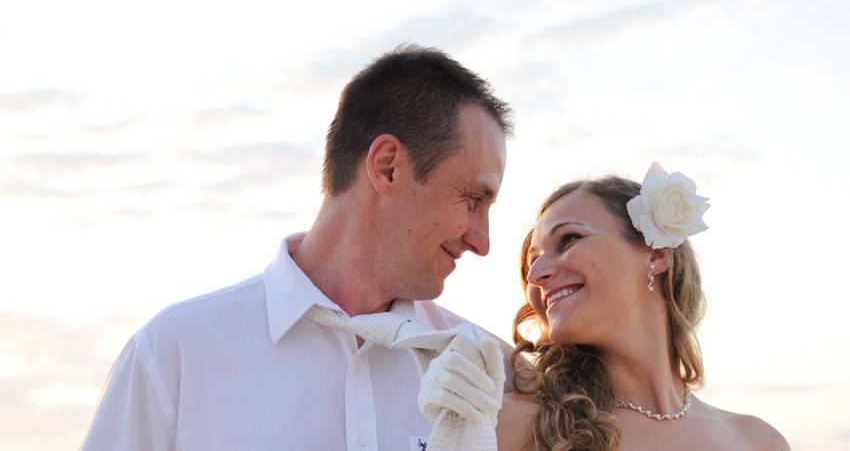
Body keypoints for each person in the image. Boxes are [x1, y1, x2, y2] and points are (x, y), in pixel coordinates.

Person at [80, 45, 512, 450]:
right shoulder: (174, 355)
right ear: (388, 166)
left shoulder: (494, 375)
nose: (482, 241)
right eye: (473, 200)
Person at [494, 164, 789, 451]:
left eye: (569, 239)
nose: (535, 275)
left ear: (656, 255)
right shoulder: (519, 425)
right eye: (533, 261)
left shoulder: (758, 442)